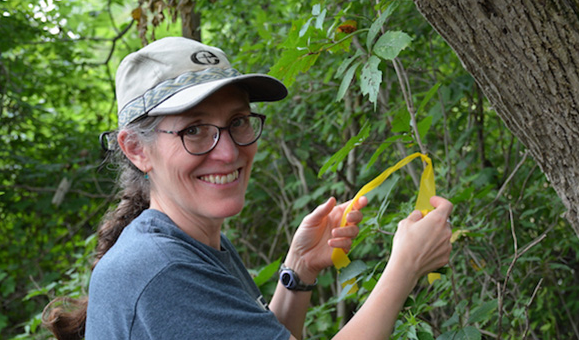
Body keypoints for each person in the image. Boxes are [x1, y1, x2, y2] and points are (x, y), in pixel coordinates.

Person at [43, 37, 453, 340]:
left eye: (238, 122)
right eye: (195, 130)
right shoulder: (162, 269)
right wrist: (405, 267)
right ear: (136, 149)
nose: (227, 152)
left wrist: (299, 270)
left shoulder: (191, 244)